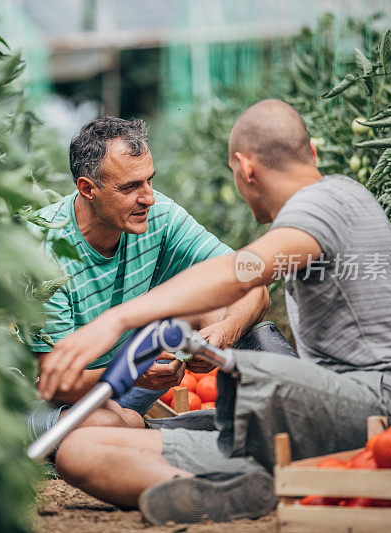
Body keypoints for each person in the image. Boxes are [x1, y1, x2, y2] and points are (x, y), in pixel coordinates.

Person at [36, 100, 391, 525]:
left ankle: (257, 474)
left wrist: (119, 319)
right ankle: (225, 488)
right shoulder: (335, 200)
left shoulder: (325, 203)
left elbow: (240, 271)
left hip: (380, 407)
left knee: (253, 355)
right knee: (80, 450)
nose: (148, 197)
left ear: (245, 169)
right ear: (311, 152)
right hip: (335, 409)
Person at [27, 116, 269, 440]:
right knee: (107, 423)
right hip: (52, 403)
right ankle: (164, 431)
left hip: (122, 384)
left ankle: (282, 418)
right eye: (130, 187)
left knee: (221, 308)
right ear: (87, 189)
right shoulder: (45, 251)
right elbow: (58, 385)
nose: (148, 198)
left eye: (149, 181)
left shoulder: (159, 217)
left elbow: (252, 282)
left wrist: (225, 330)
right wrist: (134, 374)